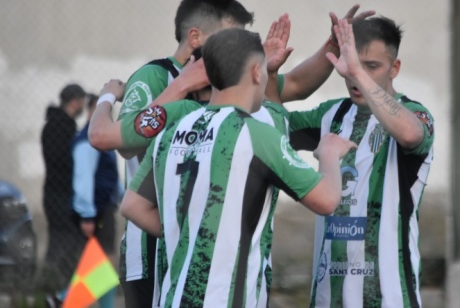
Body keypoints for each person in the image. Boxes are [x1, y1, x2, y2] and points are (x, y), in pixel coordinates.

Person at [119, 28, 356, 307]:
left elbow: (132, 205)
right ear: (257, 72)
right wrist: (328, 154)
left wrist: (190, 234)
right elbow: (326, 199)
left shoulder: (170, 133)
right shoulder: (255, 135)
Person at [277, 17, 435, 307]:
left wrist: (356, 72)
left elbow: (412, 134)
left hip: (388, 297)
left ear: (395, 68)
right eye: (350, 65)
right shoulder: (331, 115)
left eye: (370, 66)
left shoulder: (413, 114)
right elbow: (268, 125)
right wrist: (271, 71)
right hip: (328, 298)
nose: (355, 76)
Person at [115, 0, 255, 308]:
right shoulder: (154, 76)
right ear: (195, 37)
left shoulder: (220, 90)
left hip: (191, 253)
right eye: (230, 37)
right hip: (150, 249)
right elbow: (125, 144)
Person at [72, 94, 123, 308]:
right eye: (101, 109)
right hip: (97, 211)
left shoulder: (101, 140)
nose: (106, 115)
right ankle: (66, 298)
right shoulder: (87, 141)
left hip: (104, 208)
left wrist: (123, 198)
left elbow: (111, 176)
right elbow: (83, 179)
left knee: (102, 262)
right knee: (105, 262)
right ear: (90, 111)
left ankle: (68, 298)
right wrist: (87, 214)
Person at [40, 83, 87, 306]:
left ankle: (53, 294)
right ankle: (54, 294)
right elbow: (64, 162)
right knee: (64, 246)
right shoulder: (63, 128)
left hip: (54, 195)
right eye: (82, 101)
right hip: (62, 196)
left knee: (59, 245)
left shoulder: (53, 125)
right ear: (75, 101)